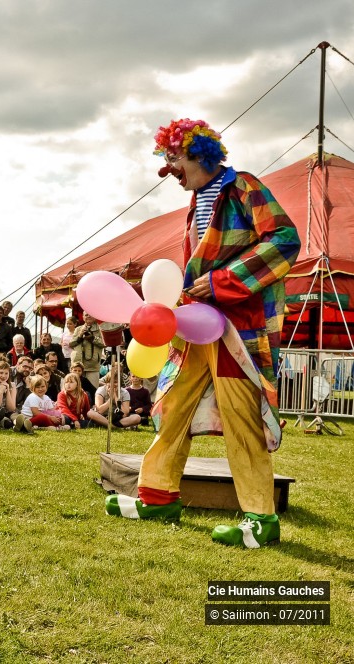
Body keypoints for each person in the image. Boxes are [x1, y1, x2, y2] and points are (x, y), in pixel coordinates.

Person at [104, 119, 301, 549]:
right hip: (195, 326)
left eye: (174, 158)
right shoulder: (197, 200)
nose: (169, 168)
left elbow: (286, 239)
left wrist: (222, 282)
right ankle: (157, 495)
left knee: (240, 417)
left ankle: (260, 519)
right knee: (172, 405)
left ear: (198, 152)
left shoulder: (243, 186)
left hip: (236, 328)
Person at [91, 365, 141, 430]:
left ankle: (108, 425)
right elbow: (100, 410)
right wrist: (110, 399)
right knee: (90, 413)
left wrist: (115, 396)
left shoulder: (124, 392)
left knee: (137, 418)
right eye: (110, 382)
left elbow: (125, 413)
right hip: (103, 416)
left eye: (115, 382)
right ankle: (115, 427)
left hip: (119, 418)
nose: (113, 385)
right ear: (106, 383)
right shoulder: (101, 390)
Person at [69, 314, 105, 388]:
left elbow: (104, 343)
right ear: (83, 317)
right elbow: (71, 344)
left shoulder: (100, 329)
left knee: (92, 390)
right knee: (76, 388)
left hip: (92, 365)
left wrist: (93, 338)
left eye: (90, 315)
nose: (88, 316)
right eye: (86, 315)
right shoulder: (78, 329)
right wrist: (80, 336)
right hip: (78, 364)